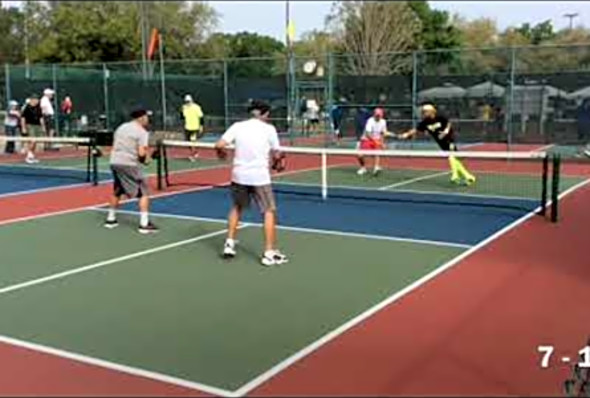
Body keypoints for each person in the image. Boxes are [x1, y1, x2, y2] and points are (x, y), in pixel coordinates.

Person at [215, 99, 288, 266]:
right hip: (259, 177)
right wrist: (279, 162)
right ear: (265, 113)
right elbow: (277, 154)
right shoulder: (269, 129)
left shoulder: (237, 126)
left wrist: (222, 155)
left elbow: (219, 145)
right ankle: (269, 253)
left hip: (239, 175)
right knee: (268, 211)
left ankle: (229, 244)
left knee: (237, 207)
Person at [104, 107, 158, 234]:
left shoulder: (121, 127)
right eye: (147, 116)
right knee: (143, 192)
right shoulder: (142, 132)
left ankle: (110, 219)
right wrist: (148, 158)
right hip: (129, 164)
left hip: (115, 161)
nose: (148, 119)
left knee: (117, 189)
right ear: (142, 117)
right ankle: (144, 224)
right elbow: (141, 154)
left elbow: (116, 144)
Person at [398, 102, 476, 185]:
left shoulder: (440, 117)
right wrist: (406, 134)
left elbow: (448, 123)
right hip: (441, 143)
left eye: (425, 111)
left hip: (449, 140)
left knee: (451, 157)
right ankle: (469, 176)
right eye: (423, 112)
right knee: (454, 159)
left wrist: (446, 131)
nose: (424, 113)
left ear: (431, 111)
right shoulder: (425, 122)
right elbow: (415, 130)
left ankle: (455, 176)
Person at [357, 107, 389, 176]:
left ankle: (376, 167)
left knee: (376, 153)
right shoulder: (370, 121)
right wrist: (376, 142)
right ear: (374, 115)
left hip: (376, 139)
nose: (378, 117)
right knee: (360, 155)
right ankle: (363, 168)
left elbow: (382, 133)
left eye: (379, 115)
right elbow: (368, 134)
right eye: (376, 115)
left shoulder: (383, 122)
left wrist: (382, 143)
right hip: (367, 139)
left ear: (381, 115)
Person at [20, 94, 45, 164]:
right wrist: (23, 128)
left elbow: (41, 117)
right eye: (35, 99)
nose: (37, 101)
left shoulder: (38, 107)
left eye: (37, 100)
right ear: (32, 100)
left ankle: (31, 155)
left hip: (37, 126)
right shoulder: (27, 108)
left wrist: (43, 127)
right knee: (32, 140)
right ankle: (28, 156)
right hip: (30, 125)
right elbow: (23, 118)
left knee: (35, 141)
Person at [181, 94, 204, 162]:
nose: (188, 102)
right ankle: (195, 152)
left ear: (192, 100)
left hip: (195, 127)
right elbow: (182, 117)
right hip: (187, 127)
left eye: (189, 101)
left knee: (192, 142)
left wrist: (201, 126)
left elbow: (201, 117)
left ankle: (192, 155)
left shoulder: (197, 107)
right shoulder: (184, 107)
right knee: (188, 143)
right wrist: (181, 111)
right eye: (186, 101)